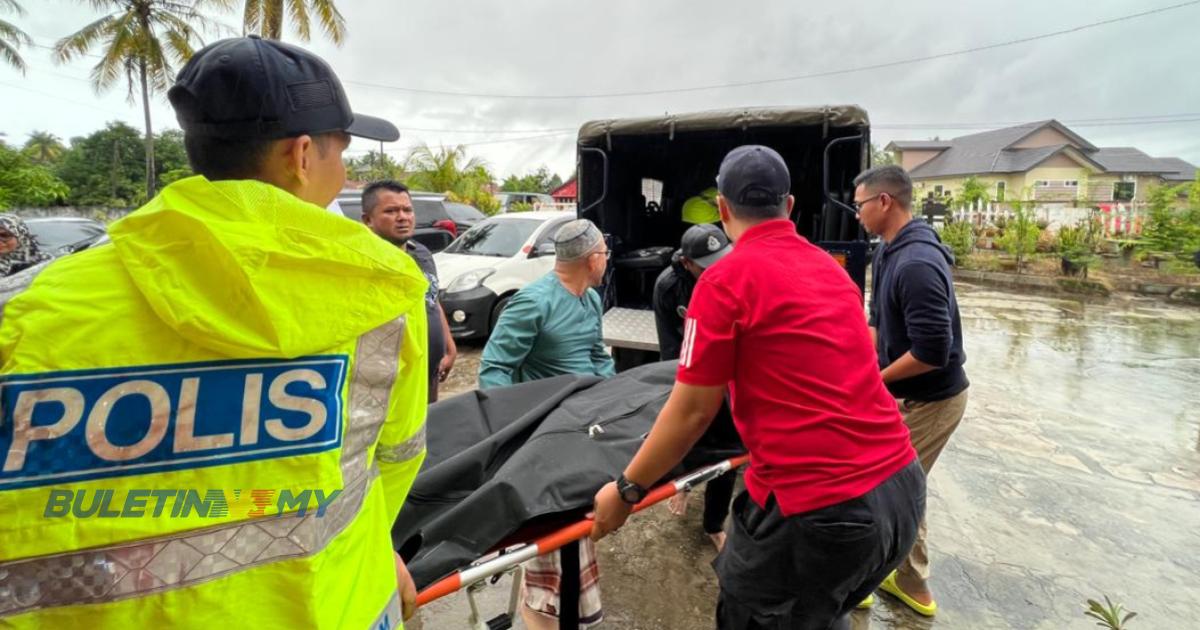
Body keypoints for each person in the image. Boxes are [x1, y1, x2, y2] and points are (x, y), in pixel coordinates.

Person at [0, 36, 429, 629]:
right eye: (341, 153)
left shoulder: (27, 306)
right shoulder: (380, 293)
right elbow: (397, 460)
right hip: (332, 604)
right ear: (302, 155)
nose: (345, 170)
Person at [590, 145, 926, 630]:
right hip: (902, 492)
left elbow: (691, 412)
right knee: (821, 609)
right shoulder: (833, 272)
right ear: (789, 206)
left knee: (757, 612)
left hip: (822, 509)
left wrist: (625, 491)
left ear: (722, 210)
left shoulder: (724, 281)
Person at [479, 218, 615, 629]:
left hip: (582, 432)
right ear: (593, 259)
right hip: (544, 435)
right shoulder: (533, 301)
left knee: (578, 526)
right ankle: (541, 611)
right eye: (605, 255)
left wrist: (614, 399)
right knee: (548, 537)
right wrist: (511, 435)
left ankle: (571, 604)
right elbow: (494, 369)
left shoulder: (589, 300)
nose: (606, 261)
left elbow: (597, 356)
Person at [854, 164, 970, 618]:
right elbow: (877, 324)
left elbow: (933, 350)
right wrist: (858, 369)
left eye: (860, 203)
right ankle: (904, 578)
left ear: (885, 202)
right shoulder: (888, 249)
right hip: (904, 392)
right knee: (900, 484)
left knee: (891, 486)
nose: (856, 213)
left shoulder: (918, 263)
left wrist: (874, 381)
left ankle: (891, 581)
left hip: (934, 400)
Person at [652, 222, 740, 551]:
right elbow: (670, 347)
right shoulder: (669, 286)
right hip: (691, 366)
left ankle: (714, 523)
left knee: (729, 447)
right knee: (687, 433)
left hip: (729, 368)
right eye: (706, 267)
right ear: (688, 263)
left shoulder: (735, 273)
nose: (716, 272)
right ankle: (683, 486)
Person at [362, 179, 457, 402]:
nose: (403, 217)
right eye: (391, 211)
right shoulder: (365, 262)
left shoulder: (421, 253)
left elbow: (432, 299)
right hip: (391, 378)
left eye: (407, 210)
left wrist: (449, 346)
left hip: (429, 370)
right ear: (368, 220)